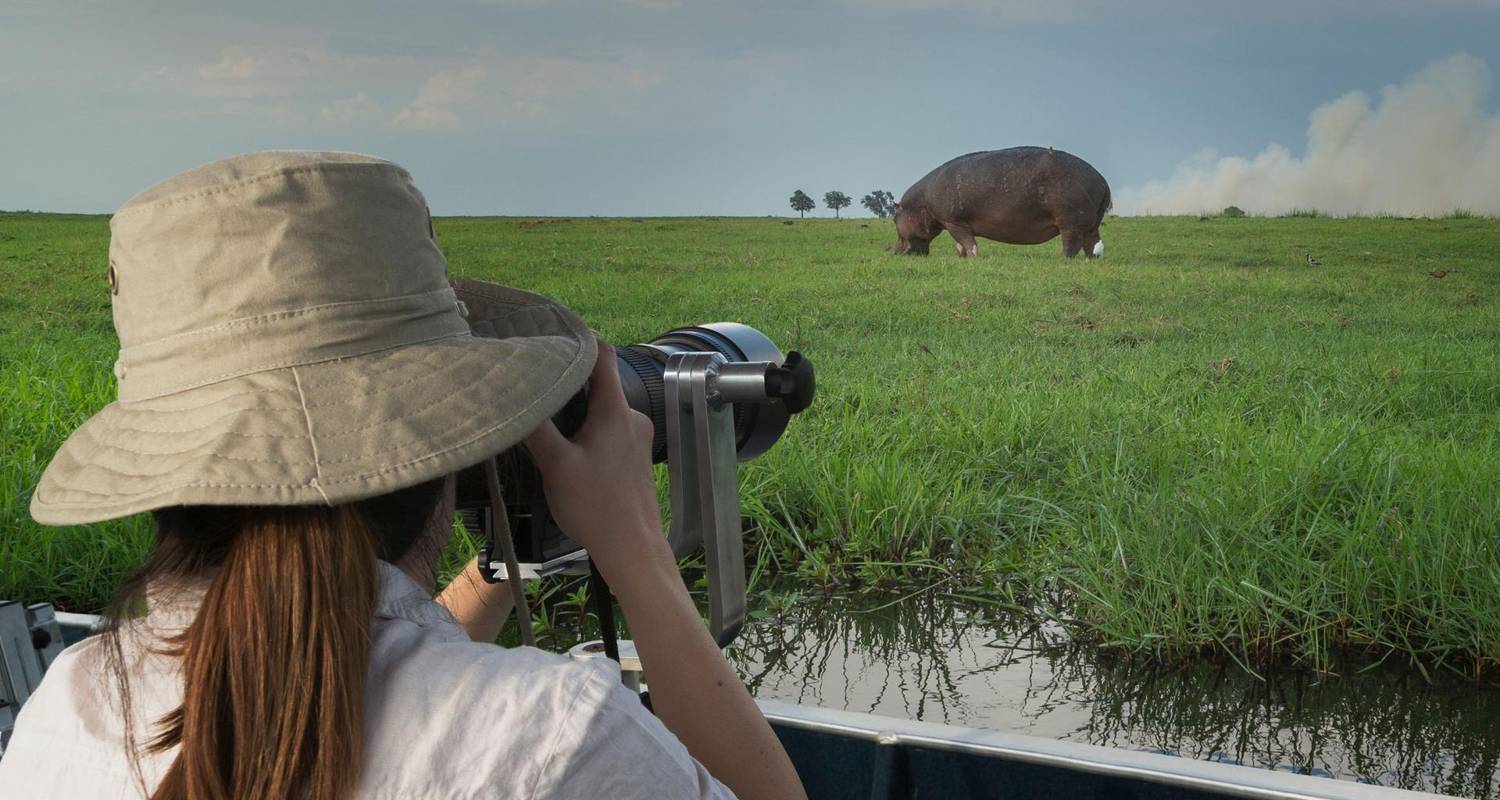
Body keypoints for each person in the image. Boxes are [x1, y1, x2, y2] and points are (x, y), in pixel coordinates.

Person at [0, 151, 807, 800]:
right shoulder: (552, 737)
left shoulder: (72, 707)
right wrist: (635, 549)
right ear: (448, 441)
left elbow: (325, 643)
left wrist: (504, 560)